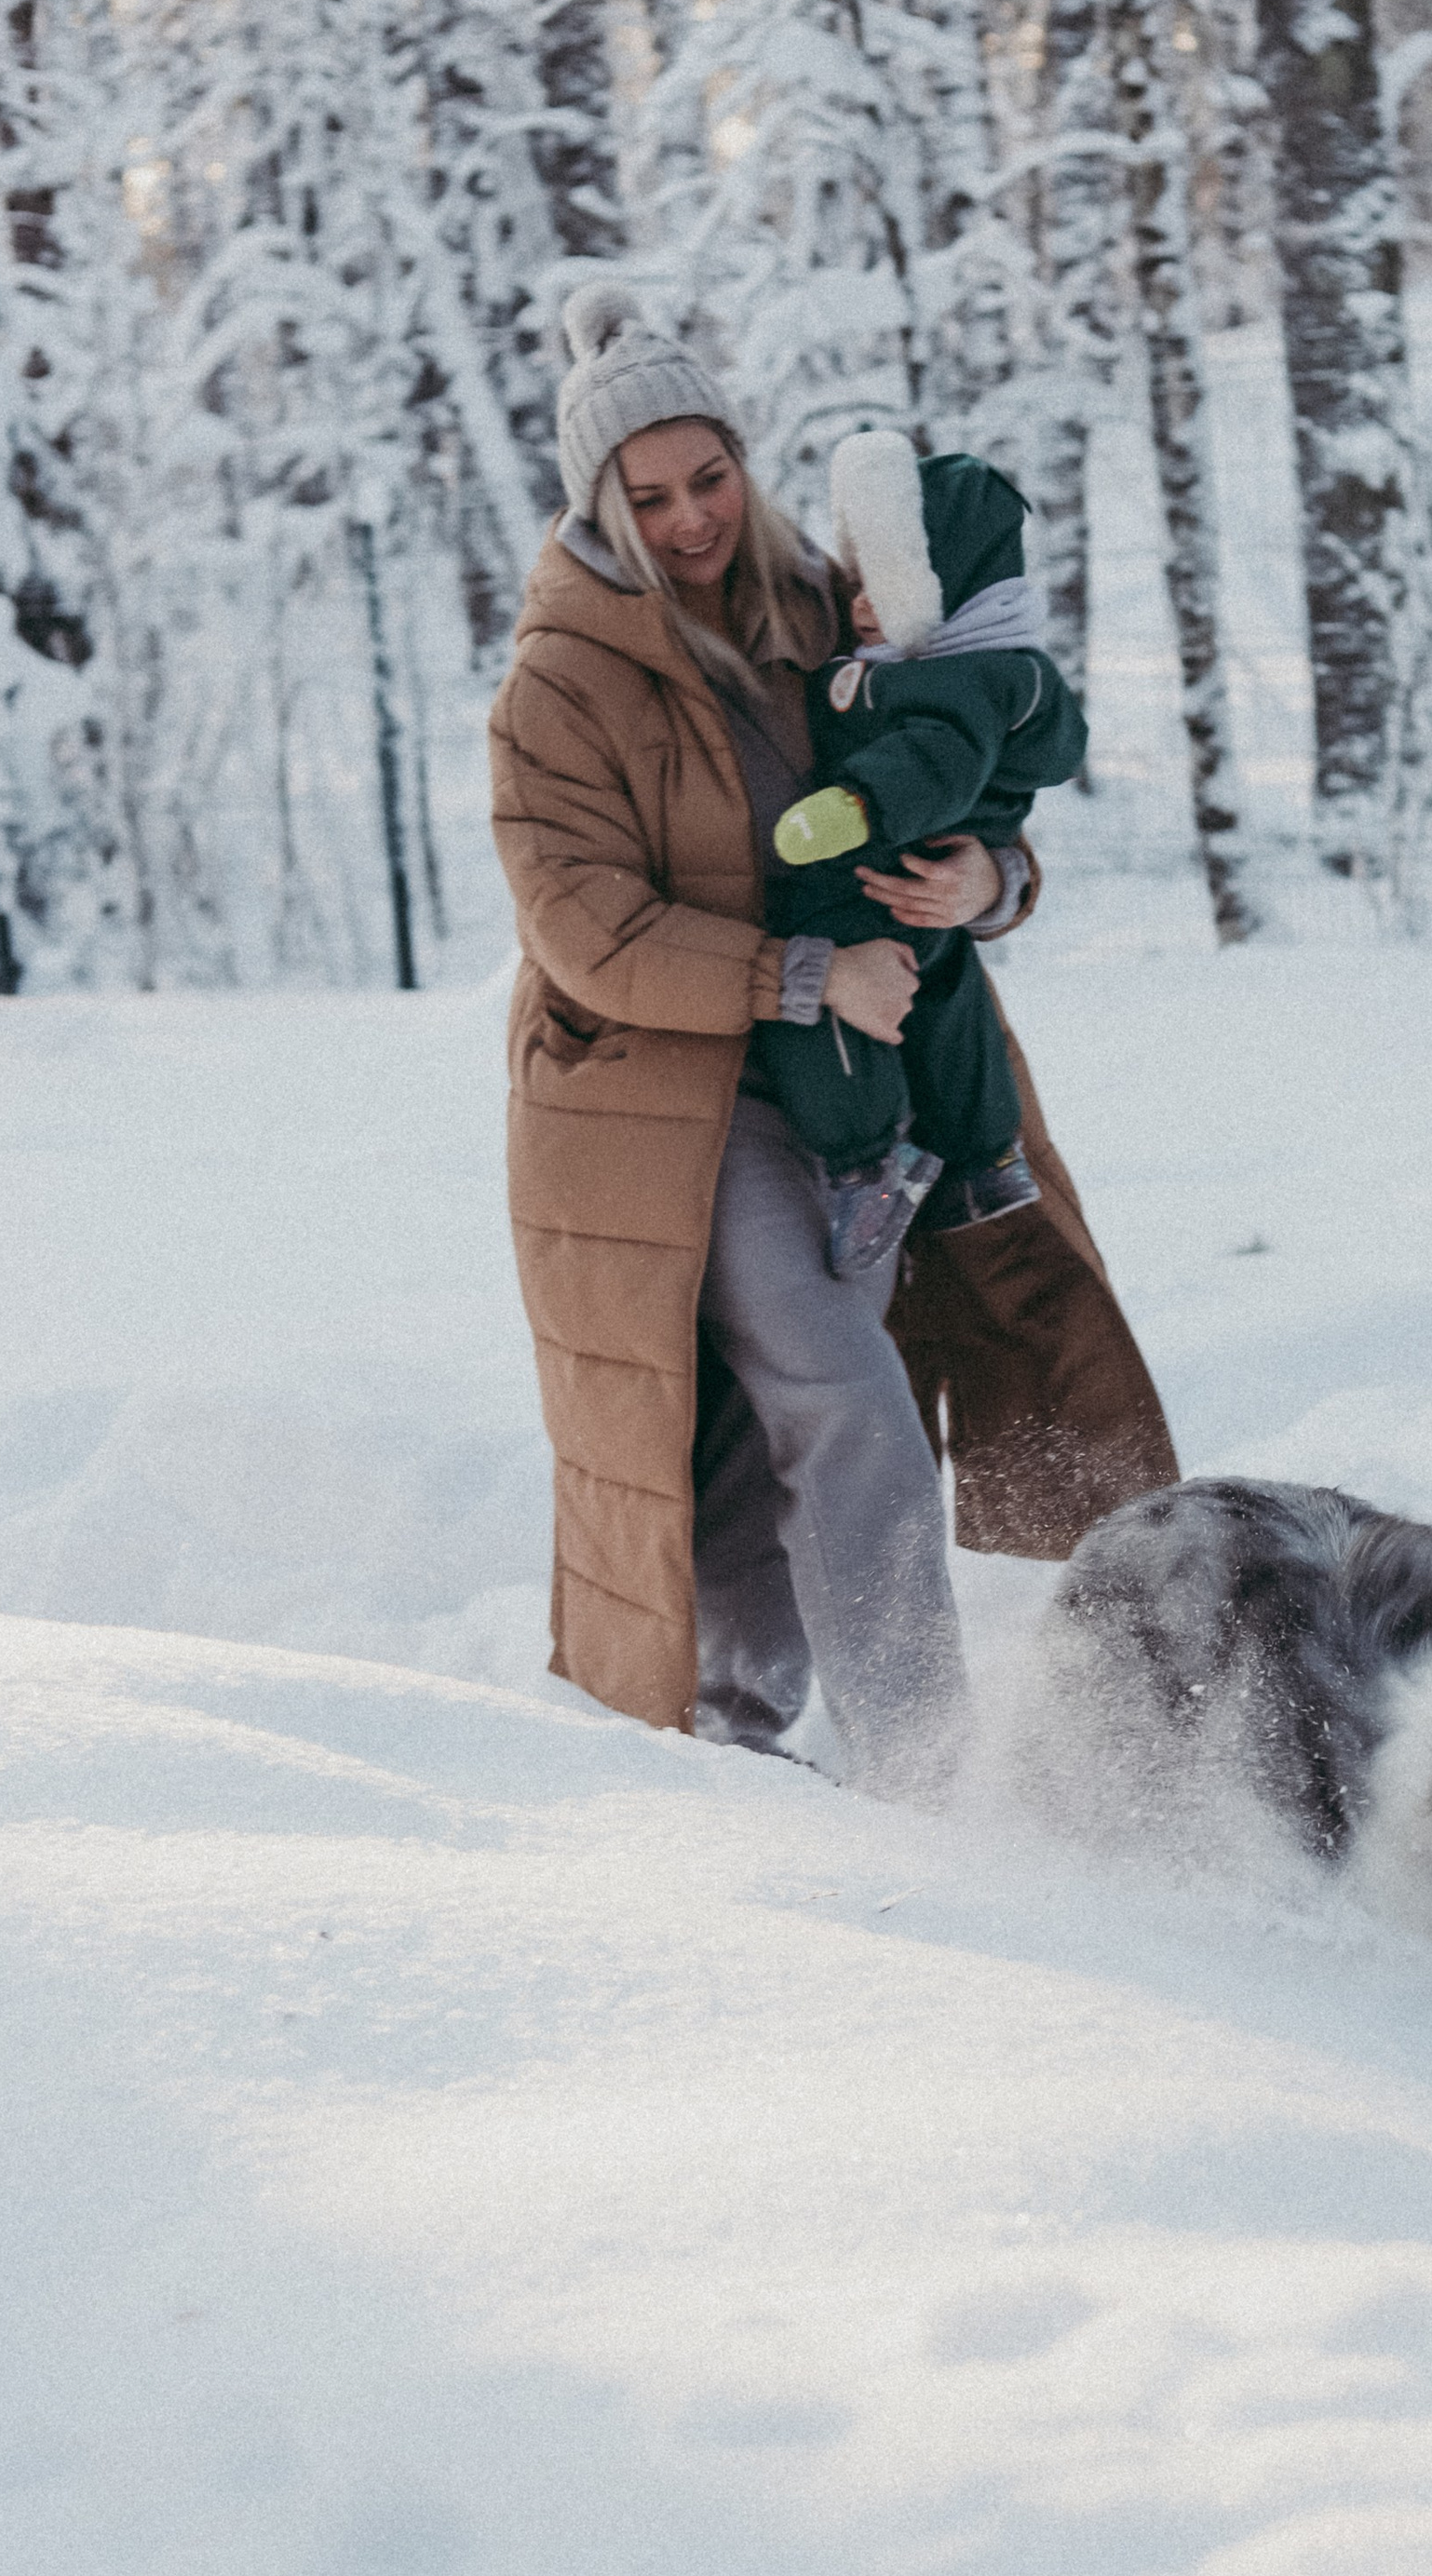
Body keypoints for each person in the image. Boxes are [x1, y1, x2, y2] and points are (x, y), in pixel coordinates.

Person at [487, 284, 1177, 1789]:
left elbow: (981, 758)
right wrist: (801, 975)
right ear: (599, 501)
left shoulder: (823, 602)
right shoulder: (557, 687)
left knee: (747, 1427)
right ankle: (925, 1772)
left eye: (710, 480)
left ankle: (720, 1742)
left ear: (745, 461)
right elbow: (581, 930)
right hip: (665, 1099)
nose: (689, 523)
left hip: (877, 1069)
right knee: (842, 1396)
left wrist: (991, 881)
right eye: (648, 496)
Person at [757, 425, 1088, 1277]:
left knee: (859, 1017)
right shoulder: (949, 666)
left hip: (861, 878)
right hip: (882, 896)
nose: (859, 601)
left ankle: (878, 1160)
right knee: (943, 1004)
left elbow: (933, 761)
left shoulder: (950, 676)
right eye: (856, 577)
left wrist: (858, 811)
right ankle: (978, 1160)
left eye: (886, 582)